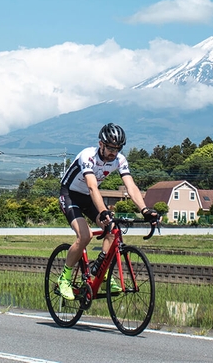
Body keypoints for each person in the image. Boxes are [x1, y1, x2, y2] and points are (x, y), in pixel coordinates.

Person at [56, 123, 159, 300]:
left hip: (89, 198)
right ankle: (64, 279)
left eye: (117, 149)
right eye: (110, 148)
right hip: (70, 195)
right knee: (85, 235)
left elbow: (131, 187)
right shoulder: (87, 156)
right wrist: (103, 211)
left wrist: (144, 210)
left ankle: (101, 272)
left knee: (112, 229)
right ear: (101, 144)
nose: (114, 152)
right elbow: (92, 186)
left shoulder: (120, 160)